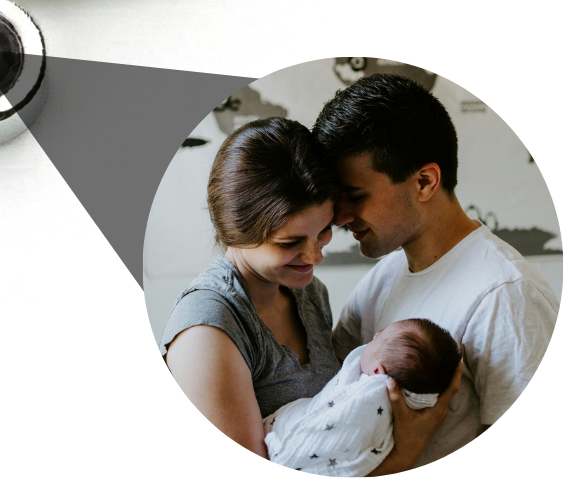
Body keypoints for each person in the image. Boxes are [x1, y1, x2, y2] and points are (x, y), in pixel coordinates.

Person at [159, 118, 456, 467]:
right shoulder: (207, 328)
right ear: (235, 230)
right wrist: (408, 448)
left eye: (324, 231)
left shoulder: (309, 293)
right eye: (290, 243)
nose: (315, 257)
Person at [315, 75, 558, 465]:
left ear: (425, 182)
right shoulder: (385, 276)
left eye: (356, 196)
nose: (341, 216)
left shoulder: (506, 295)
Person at [264, 318, 461, 476]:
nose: (373, 337)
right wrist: (403, 457)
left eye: (376, 340)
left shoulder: (370, 395)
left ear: (376, 371)